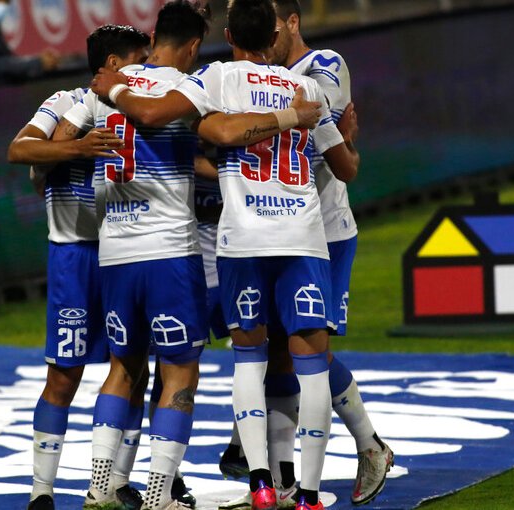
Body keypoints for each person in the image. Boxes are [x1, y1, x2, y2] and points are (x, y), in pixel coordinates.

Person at [90, 1, 360, 508]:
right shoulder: (306, 89)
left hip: (240, 240)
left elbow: (168, 117)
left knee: (249, 360)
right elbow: (346, 168)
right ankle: (307, 494)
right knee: (312, 364)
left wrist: (117, 87)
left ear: (230, 33)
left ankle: (259, 483)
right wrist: (344, 137)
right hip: (302, 237)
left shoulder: (216, 77)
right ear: (275, 35)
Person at [219, 1, 393, 508]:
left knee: (308, 350)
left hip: (324, 229)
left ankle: (368, 444)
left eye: (276, 24)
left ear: (291, 22)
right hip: (275, 227)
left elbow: (327, 150)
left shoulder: (324, 67)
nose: (271, 34)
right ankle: (283, 471)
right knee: (278, 350)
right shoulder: (267, 79)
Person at [6, 24, 151, 510]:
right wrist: (77, 148)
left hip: (125, 252)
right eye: (136, 59)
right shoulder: (66, 101)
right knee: (63, 377)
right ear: (112, 64)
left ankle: (115, 483)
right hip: (74, 256)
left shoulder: (146, 102)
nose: (145, 67)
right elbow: (19, 149)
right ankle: (41, 492)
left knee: (134, 369)